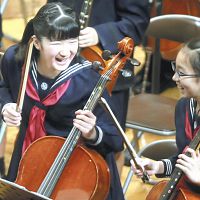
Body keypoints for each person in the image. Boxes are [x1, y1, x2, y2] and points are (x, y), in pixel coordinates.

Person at [0, 2, 125, 200]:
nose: (66, 51)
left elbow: (116, 139)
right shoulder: (15, 61)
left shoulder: (88, 80)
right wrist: (5, 105)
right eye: (56, 43)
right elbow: (4, 88)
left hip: (76, 174)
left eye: (71, 41)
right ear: (37, 42)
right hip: (27, 163)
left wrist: (93, 132)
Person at [47, 0, 150, 172]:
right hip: (62, 67)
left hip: (107, 72)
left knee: (111, 145)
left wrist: (100, 33)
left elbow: (137, 22)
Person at [132, 38, 200, 193]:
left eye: (181, 73)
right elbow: (183, 160)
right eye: (175, 68)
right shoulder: (184, 106)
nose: (174, 78)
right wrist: (158, 166)